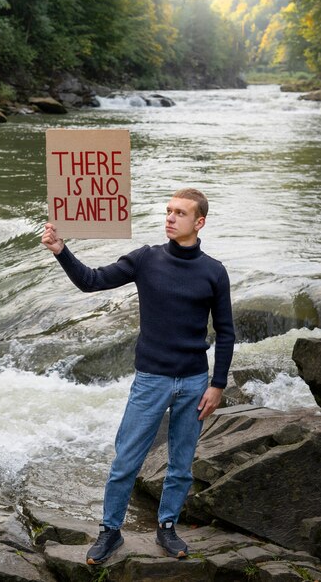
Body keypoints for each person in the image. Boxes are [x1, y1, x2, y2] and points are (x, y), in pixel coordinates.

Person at [41, 188, 235, 564]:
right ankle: (110, 532)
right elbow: (91, 280)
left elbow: (226, 332)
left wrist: (218, 384)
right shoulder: (146, 259)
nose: (170, 218)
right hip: (151, 379)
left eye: (180, 213)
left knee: (180, 463)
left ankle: (167, 528)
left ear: (199, 222)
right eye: (168, 211)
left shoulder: (214, 271)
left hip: (195, 381)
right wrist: (61, 250)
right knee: (126, 460)